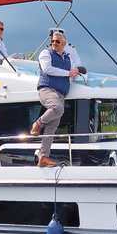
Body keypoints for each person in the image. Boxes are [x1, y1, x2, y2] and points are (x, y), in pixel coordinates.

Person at [31, 30, 82, 167]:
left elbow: (72, 72)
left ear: (64, 43)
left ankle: (43, 157)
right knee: (57, 108)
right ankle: (38, 123)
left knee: (53, 126)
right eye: (52, 41)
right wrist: (68, 73)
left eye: (57, 41)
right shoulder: (45, 53)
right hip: (47, 90)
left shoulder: (67, 57)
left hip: (60, 94)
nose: (54, 43)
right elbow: (47, 69)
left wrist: (75, 72)